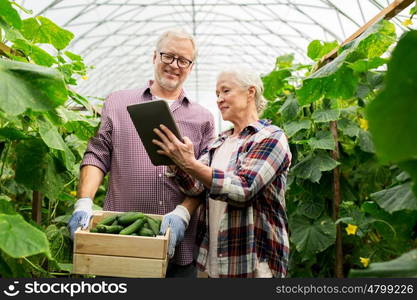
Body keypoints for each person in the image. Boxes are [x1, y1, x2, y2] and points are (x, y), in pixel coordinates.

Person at [67, 29, 215, 278]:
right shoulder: (117, 102)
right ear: (154, 57)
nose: (174, 65)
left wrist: (183, 213)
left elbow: (205, 179)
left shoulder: (203, 118)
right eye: (168, 56)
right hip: (120, 239)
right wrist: (84, 202)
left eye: (183, 60)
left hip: (178, 248)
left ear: (191, 67)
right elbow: (97, 154)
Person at [152, 66, 292, 278]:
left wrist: (190, 163)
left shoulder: (270, 138)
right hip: (212, 262)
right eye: (217, 94)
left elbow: (244, 189)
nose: (219, 99)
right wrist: (175, 161)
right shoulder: (219, 142)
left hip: (253, 265)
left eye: (225, 91)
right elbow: (195, 187)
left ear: (250, 92)